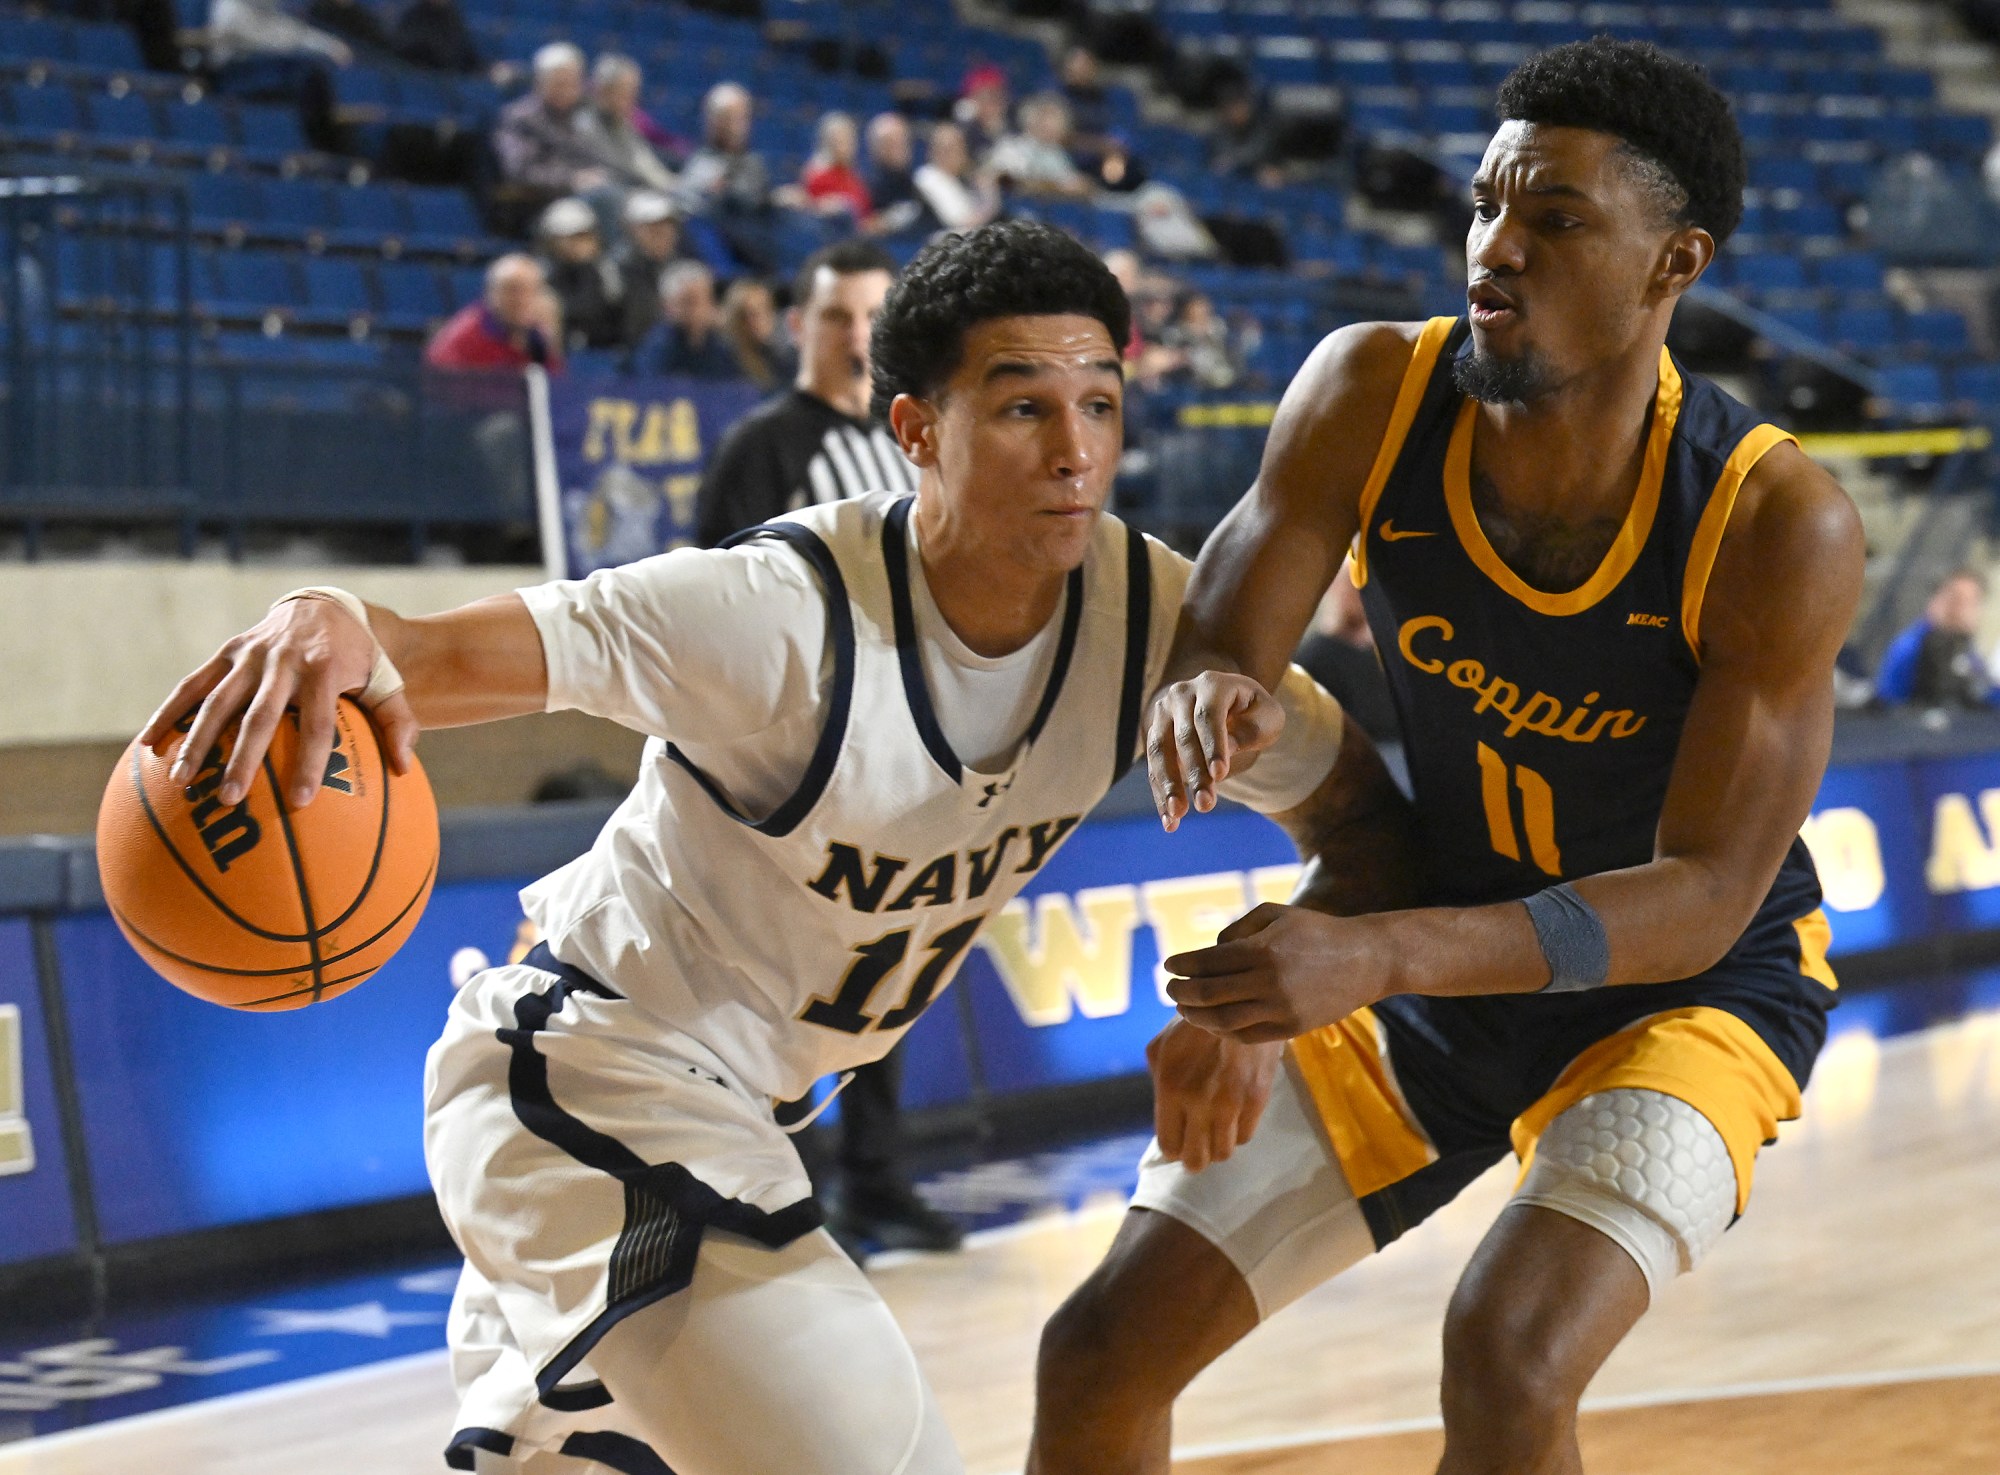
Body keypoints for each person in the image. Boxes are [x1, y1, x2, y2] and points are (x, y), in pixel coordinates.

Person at [138, 219, 1351, 1475]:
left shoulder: (1155, 619)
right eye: (1021, 408)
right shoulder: (777, 615)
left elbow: (1364, 819)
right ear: (916, 428)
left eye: (1097, 402)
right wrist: (324, 613)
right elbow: (429, 654)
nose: (1073, 451)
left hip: (726, 1112)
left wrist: (1252, 998)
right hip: (593, 1078)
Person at [1030, 38, 1866, 1475]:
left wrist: (1371, 954)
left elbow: (1706, 891)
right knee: (1100, 1345)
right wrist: (1207, 700)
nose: (1496, 247)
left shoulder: (1774, 518)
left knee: (1507, 1349)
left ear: (1675, 261)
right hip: (1442, 947)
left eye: (1556, 220)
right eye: (1485, 205)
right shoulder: (1372, 389)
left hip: (1686, 995)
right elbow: (1226, 643)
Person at [694, 240, 913, 546]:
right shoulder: (757, 447)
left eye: (874, 315)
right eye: (836, 316)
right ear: (797, 326)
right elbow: (723, 582)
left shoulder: (916, 432)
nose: (857, 334)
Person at [494, 44, 613, 217]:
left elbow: (601, 157)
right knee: (608, 199)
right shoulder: (519, 118)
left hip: (592, 191)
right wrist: (572, 179)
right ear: (539, 83)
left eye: (572, 83)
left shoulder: (585, 114)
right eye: (559, 83)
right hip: (543, 202)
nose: (566, 91)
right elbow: (521, 171)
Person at [1293, 558, 1399, 745]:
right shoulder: (1318, 654)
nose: (1363, 596)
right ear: (1335, 588)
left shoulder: (1381, 651)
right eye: (1353, 587)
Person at [680, 80, 776, 271]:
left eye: (741, 118)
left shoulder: (754, 162)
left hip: (760, 236)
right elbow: (695, 204)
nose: (735, 126)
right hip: (725, 246)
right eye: (726, 118)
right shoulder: (701, 162)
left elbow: (760, 200)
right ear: (711, 121)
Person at [1874, 567, 1998, 710]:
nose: (1961, 609)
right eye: (1955, 599)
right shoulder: (1911, 647)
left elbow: (1984, 691)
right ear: (1936, 599)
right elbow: (1886, 704)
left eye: (1971, 602)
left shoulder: (1965, 648)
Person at [424, 252, 562, 371]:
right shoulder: (463, 337)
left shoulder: (538, 336)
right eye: (513, 290)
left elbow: (557, 387)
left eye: (532, 291)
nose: (523, 300)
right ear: (492, 293)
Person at [578, 53, 678, 198]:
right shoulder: (585, 123)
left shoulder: (623, 123)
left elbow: (645, 162)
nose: (631, 100)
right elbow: (618, 169)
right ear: (603, 91)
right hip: (616, 193)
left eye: (633, 92)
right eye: (624, 92)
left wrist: (672, 184)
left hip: (639, 191)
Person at [628, 260, 741, 379]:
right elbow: (649, 387)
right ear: (669, 306)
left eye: (706, 299)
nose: (701, 310)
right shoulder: (658, 346)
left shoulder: (721, 345)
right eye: (690, 302)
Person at [613, 190, 694, 346]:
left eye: (667, 226)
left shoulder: (683, 265)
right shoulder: (619, 269)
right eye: (652, 228)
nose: (662, 233)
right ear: (633, 231)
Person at [987, 93, 1094, 201]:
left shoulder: (1057, 154)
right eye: (1049, 120)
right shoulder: (1011, 146)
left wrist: (1083, 186)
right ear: (1034, 121)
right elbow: (1007, 181)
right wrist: (1055, 187)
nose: (1057, 129)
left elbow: (1075, 185)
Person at [913, 121, 1001, 234]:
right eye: (954, 148)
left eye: (961, 147)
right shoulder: (928, 177)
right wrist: (989, 194)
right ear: (936, 152)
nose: (962, 154)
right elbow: (961, 223)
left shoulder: (959, 177)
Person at [794, 111, 872, 220]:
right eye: (839, 141)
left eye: (850, 140)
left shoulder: (854, 175)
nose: (847, 147)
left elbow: (864, 214)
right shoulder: (817, 177)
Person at [720, 277, 791, 390]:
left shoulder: (778, 359)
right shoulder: (724, 360)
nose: (760, 320)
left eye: (765, 310)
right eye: (751, 314)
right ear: (736, 319)